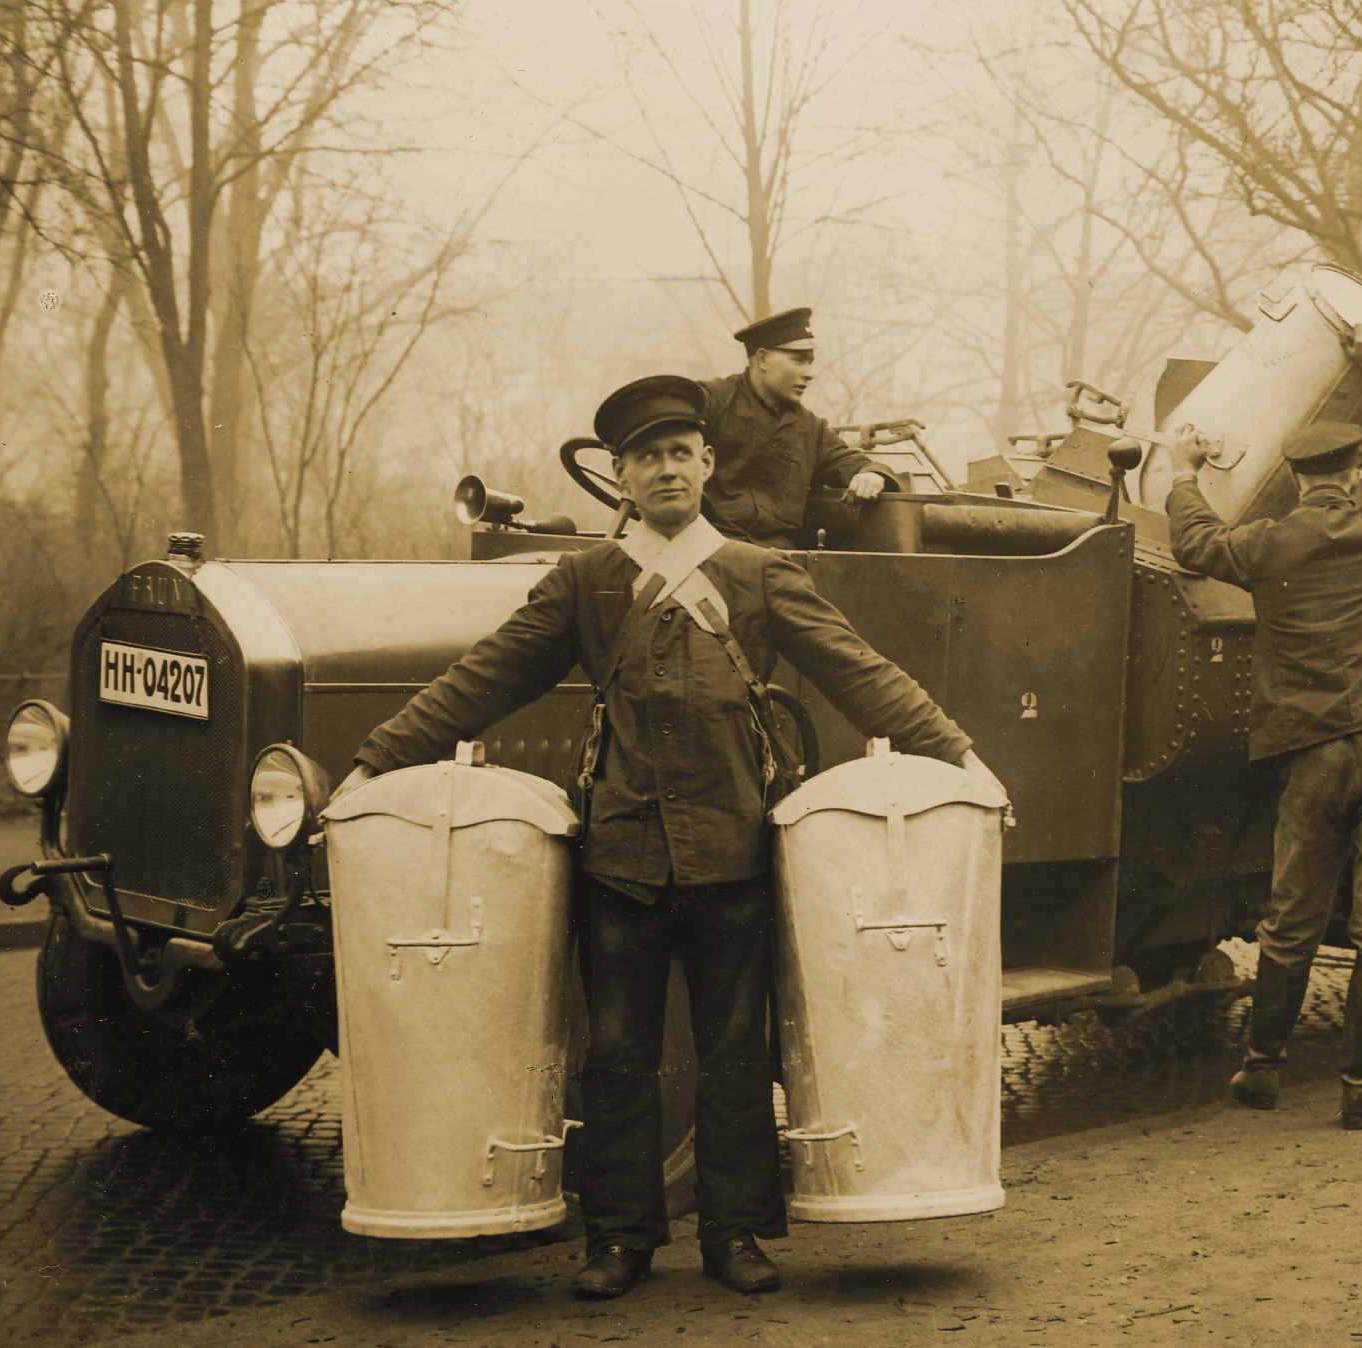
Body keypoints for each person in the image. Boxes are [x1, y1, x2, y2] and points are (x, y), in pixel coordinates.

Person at [334, 375, 997, 1296]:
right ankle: (619, 1239)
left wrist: (959, 755)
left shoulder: (759, 573)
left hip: (733, 849)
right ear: (622, 477)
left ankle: (734, 1235)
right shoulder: (586, 581)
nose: (667, 470)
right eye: (647, 458)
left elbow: (859, 670)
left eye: (681, 453)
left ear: (707, 464)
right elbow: (484, 677)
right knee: (616, 1059)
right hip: (622, 855)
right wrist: (374, 761)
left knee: (735, 1055)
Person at [1165, 327, 1362, 1130]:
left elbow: (1192, 541)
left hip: (1318, 745)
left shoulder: (1267, 542)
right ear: (1354, 471)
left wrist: (1185, 473)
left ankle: (1262, 1070)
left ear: (1291, 477)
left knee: (1294, 915)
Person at [697, 307, 895, 547]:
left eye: (811, 362)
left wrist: (873, 474)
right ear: (762, 359)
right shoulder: (712, 401)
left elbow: (853, 463)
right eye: (799, 360)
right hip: (708, 548)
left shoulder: (810, 428)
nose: (809, 374)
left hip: (777, 561)